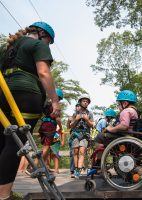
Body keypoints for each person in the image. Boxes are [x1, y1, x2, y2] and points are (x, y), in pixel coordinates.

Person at [0, 21, 60, 199]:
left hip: (3, 94)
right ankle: (4, 195)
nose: (48, 45)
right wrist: (54, 101)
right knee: (15, 145)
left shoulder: (6, 49)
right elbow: (43, 73)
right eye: (49, 41)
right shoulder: (37, 45)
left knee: (2, 144)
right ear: (43, 35)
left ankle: (3, 190)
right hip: (27, 95)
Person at [37, 88, 63, 167]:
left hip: (43, 125)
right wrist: (61, 127)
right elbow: (57, 119)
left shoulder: (46, 104)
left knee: (45, 147)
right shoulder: (56, 106)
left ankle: (43, 166)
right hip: (50, 127)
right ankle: (35, 166)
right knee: (46, 147)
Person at [69, 95, 94, 178]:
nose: (85, 102)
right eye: (84, 101)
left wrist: (87, 120)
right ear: (80, 102)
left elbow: (92, 125)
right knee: (75, 151)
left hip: (85, 135)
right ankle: (76, 169)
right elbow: (71, 126)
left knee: (82, 151)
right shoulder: (75, 113)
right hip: (75, 134)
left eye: (87, 101)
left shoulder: (89, 113)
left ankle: (78, 170)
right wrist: (76, 119)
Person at [67, 103, 80, 178]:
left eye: (79, 106)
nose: (78, 107)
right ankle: (72, 170)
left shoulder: (85, 115)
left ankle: (78, 169)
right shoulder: (73, 115)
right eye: (77, 106)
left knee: (80, 153)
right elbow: (68, 127)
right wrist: (69, 121)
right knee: (73, 153)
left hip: (82, 137)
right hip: (73, 137)